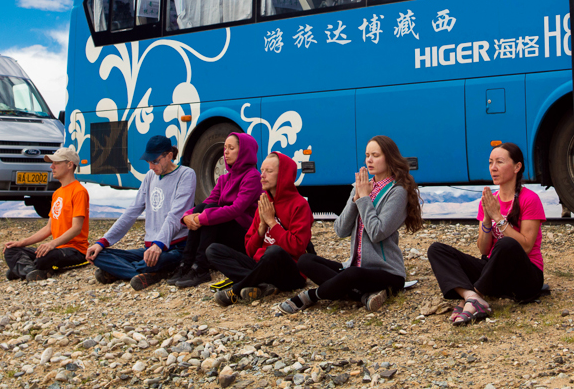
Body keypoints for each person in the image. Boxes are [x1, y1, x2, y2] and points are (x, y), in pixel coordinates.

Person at [279, 135, 421, 314]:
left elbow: (377, 232)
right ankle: (361, 295)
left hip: (387, 272)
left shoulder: (397, 192)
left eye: (375, 155)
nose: (369, 160)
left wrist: (364, 198)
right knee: (306, 261)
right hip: (355, 268)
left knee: (351, 274)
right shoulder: (361, 186)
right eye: (367, 155)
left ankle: (310, 296)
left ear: (389, 158)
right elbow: (340, 230)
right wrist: (355, 199)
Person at [426, 142, 545, 324]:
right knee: (436, 250)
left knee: (507, 244)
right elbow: (483, 249)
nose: (493, 168)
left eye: (499, 162)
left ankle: (476, 295)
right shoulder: (490, 200)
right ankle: (472, 296)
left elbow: (526, 246)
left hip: (525, 278)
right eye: (490, 162)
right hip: (494, 274)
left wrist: (498, 217)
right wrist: (487, 220)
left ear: (517, 167)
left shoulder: (530, 199)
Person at [85, 135, 196, 290]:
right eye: (148, 161)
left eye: (155, 161)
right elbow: (132, 212)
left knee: (158, 260)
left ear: (169, 156)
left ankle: (127, 270)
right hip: (148, 249)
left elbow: (175, 215)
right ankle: (149, 272)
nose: (150, 166)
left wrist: (159, 245)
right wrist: (102, 242)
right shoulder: (150, 176)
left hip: (174, 248)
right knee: (98, 255)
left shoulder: (186, 174)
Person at [207, 151, 313, 306]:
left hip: (290, 272)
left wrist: (272, 223)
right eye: (262, 170)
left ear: (282, 175)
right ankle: (261, 284)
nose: (262, 175)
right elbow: (250, 251)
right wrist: (262, 228)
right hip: (261, 266)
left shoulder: (299, 204)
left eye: (269, 171)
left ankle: (237, 289)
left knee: (273, 251)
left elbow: (297, 247)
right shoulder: (264, 202)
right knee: (213, 250)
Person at [171, 131, 261, 288]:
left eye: (231, 148)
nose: (226, 152)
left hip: (246, 235)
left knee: (210, 212)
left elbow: (237, 209)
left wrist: (203, 217)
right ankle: (186, 263)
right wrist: (187, 216)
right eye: (225, 147)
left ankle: (201, 268)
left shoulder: (252, 177)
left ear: (244, 151)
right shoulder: (225, 178)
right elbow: (208, 201)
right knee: (203, 207)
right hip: (227, 231)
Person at [3, 147, 89, 281]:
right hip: (56, 248)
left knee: (46, 256)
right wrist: (21, 243)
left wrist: (52, 244)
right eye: (52, 163)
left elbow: (76, 228)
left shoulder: (79, 191)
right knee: (11, 250)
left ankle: (23, 269)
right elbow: (49, 228)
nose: (52, 166)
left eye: (56, 163)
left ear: (69, 165)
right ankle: (31, 271)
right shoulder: (57, 193)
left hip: (75, 250)